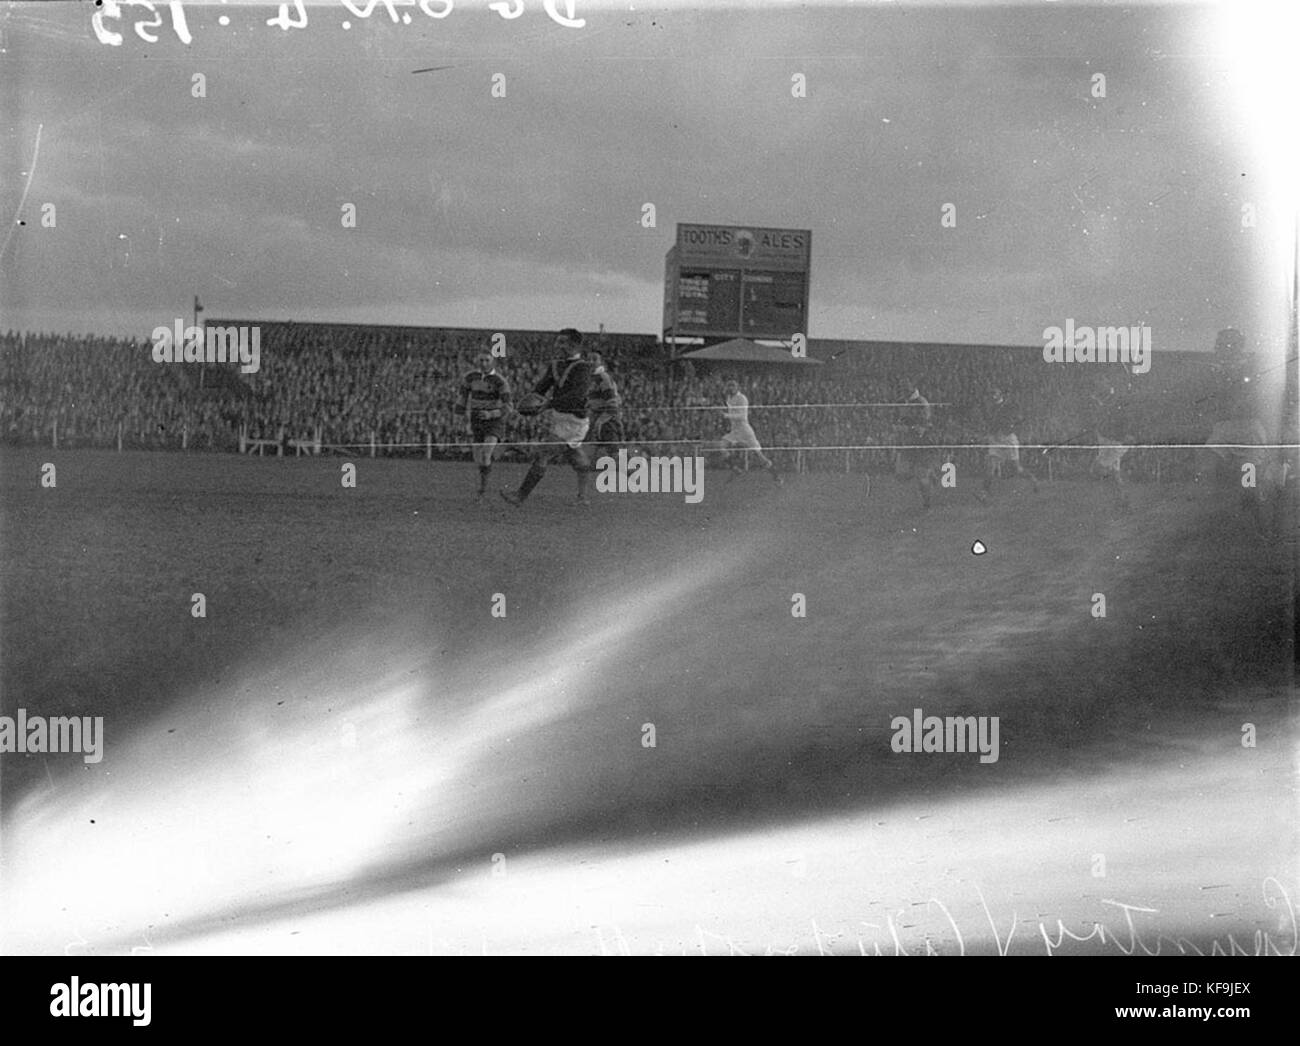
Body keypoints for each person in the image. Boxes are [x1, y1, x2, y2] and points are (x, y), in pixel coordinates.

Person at [501, 329, 593, 507]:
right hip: (559, 418)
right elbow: (541, 388)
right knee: (578, 459)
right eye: (557, 342)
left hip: (574, 421)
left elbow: (577, 396)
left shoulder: (583, 368)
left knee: (544, 453)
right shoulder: (556, 364)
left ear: (574, 345)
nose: (557, 345)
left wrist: (548, 404)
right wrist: (528, 401)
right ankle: (583, 498)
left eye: (562, 342)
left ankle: (519, 497)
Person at [455, 351, 511, 501]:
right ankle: (497, 453)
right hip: (476, 420)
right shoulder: (470, 377)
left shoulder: (500, 381)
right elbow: (462, 398)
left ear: (492, 362)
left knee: (485, 455)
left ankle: (482, 491)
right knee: (479, 458)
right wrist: (459, 417)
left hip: (494, 421)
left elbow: (508, 406)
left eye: (487, 360)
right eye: (481, 360)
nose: (484, 363)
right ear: (476, 361)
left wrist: (491, 414)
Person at [716, 378, 781, 484]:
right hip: (735, 430)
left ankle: (776, 476)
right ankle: (736, 469)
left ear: (737, 387)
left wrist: (726, 415)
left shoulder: (742, 398)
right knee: (721, 446)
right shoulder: (729, 398)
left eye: (733, 386)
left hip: (745, 430)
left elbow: (742, 416)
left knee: (759, 455)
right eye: (729, 386)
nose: (731, 388)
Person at [979, 387, 1037, 499]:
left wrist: (1012, 424)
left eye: (995, 393)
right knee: (990, 467)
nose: (992, 395)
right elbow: (989, 423)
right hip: (995, 439)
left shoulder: (1008, 407)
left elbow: (1020, 418)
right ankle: (984, 493)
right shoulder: (990, 408)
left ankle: (1033, 480)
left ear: (1001, 395)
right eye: (991, 393)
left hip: (1008, 439)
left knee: (1017, 469)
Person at [586, 351, 623, 461]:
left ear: (600, 362)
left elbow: (613, 405)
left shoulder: (603, 378)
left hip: (607, 420)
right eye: (589, 359)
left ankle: (635, 475)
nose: (591, 362)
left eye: (594, 359)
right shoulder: (591, 379)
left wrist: (600, 421)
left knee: (614, 454)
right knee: (597, 456)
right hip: (598, 419)